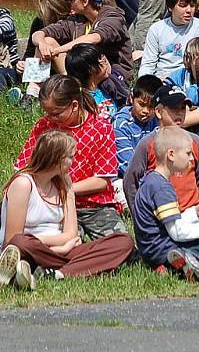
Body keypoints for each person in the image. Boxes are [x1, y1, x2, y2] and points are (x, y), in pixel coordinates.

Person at [0, 131, 134, 288]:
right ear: (56, 159)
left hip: (54, 249)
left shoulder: (65, 183)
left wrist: (63, 246)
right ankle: (75, 267)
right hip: (29, 249)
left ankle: (56, 274)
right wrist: (61, 248)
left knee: (123, 241)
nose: (73, 162)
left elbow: (71, 233)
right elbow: (12, 240)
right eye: (70, 157)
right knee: (21, 242)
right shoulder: (23, 183)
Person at [15, 75, 126, 240]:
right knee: (61, 245)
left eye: (56, 113)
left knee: (121, 243)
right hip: (51, 203)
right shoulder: (44, 126)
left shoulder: (101, 128)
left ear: (74, 105)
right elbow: (23, 168)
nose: (50, 118)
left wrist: (66, 189)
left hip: (92, 205)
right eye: (46, 112)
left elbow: (102, 180)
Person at [132, 126, 199, 281]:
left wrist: (193, 213)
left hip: (154, 249)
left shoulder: (153, 180)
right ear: (171, 154)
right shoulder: (162, 188)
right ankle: (190, 259)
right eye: (188, 153)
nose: (192, 158)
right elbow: (177, 232)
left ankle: (196, 263)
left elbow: (168, 223)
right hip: (165, 251)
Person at [31, 0, 133, 83]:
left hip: (111, 75)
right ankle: (33, 90)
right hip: (83, 70)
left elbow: (94, 38)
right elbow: (39, 33)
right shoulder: (77, 20)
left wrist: (57, 50)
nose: (69, 2)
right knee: (47, 41)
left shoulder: (113, 17)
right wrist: (42, 43)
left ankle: (73, 87)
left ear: (85, 1)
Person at [123, 85, 199, 212]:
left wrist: (198, 208)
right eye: (173, 108)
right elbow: (130, 181)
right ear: (158, 112)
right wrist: (139, 215)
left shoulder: (194, 141)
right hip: (159, 216)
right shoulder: (148, 143)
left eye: (183, 108)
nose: (179, 113)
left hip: (191, 214)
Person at [139, 0, 199, 79]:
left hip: (188, 78)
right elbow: (148, 64)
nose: (189, 10)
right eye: (183, 6)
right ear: (170, 7)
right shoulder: (156, 29)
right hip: (161, 78)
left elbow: (198, 65)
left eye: (192, 5)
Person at [113, 74, 162, 204]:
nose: (146, 111)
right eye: (141, 104)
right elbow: (127, 166)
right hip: (125, 177)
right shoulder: (121, 124)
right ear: (131, 98)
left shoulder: (158, 120)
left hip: (153, 176)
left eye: (151, 107)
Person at [65, 44, 123, 120]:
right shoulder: (81, 99)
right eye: (100, 60)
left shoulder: (110, 86)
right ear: (91, 69)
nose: (105, 62)